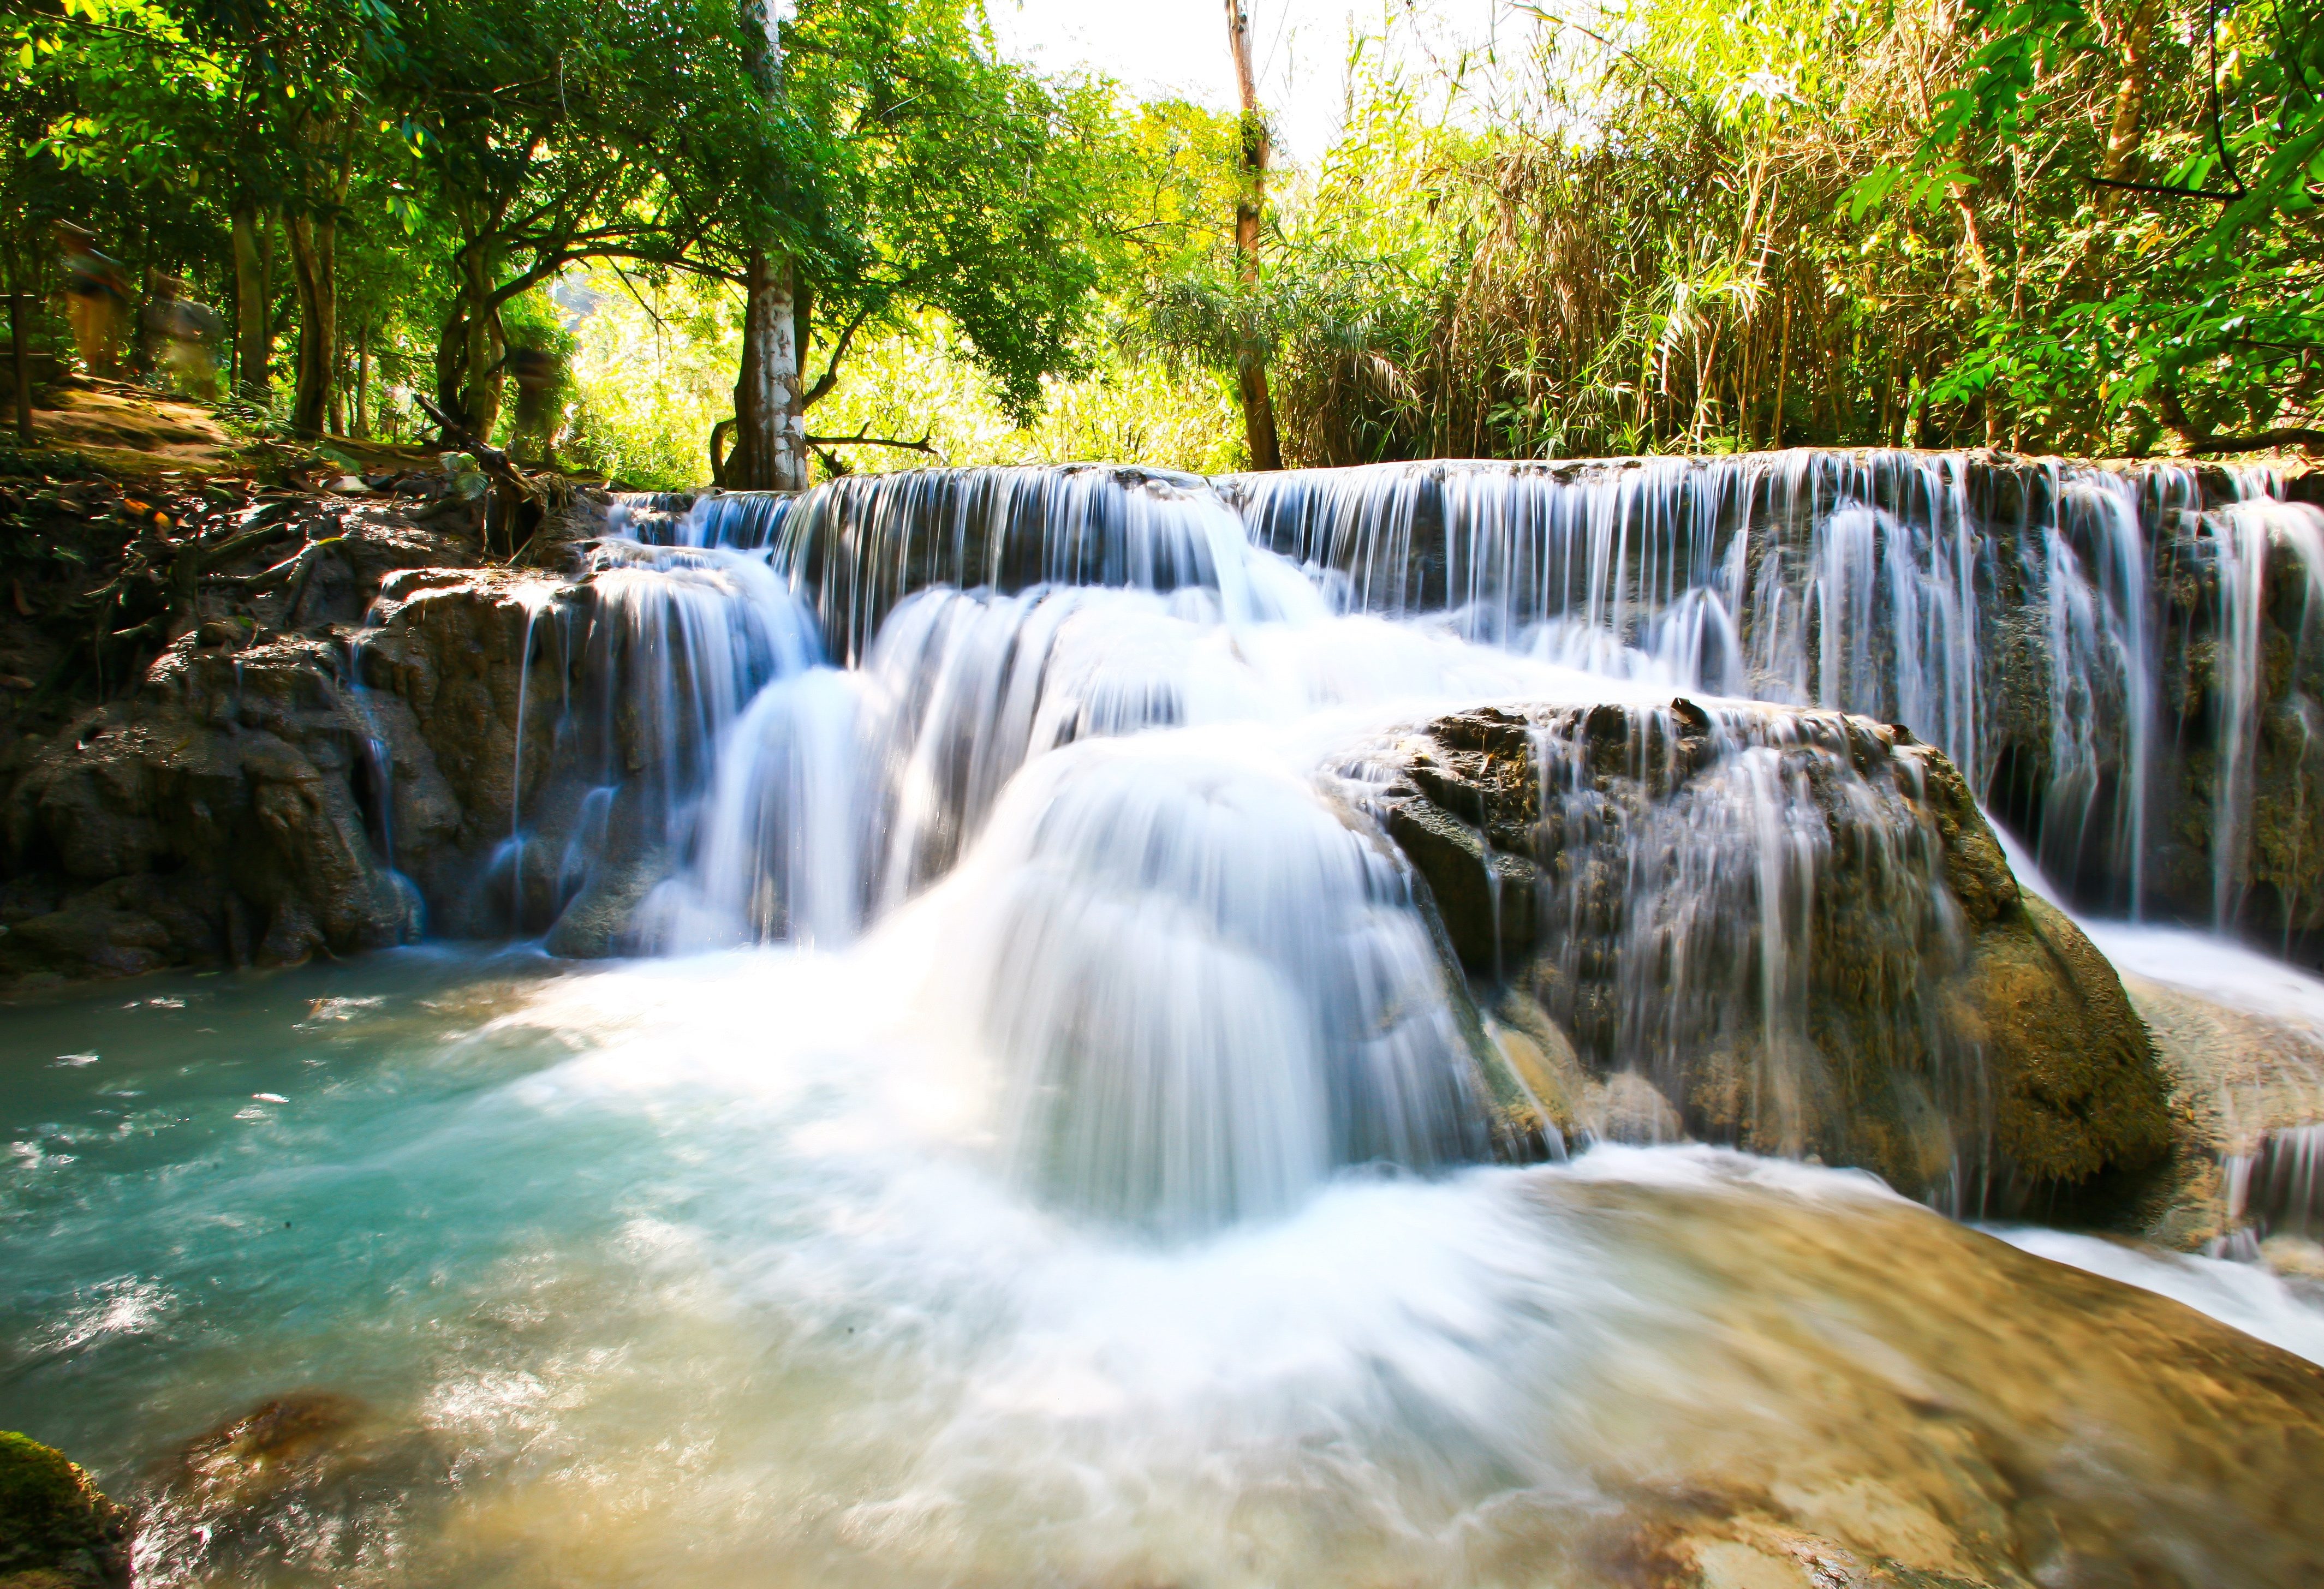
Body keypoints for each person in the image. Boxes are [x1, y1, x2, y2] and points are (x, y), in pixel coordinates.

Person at [55, 223, 130, 377]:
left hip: (98, 297)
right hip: (77, 296)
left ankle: (93, 369)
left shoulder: (95, 256)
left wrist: (113, 282)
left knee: (94, 332)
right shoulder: (72, 257)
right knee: (81, 332)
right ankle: (92, 365)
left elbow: (114, 268)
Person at [141, 270, 223, 397]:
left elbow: (209, 326)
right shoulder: (179, 307)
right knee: (170, 370)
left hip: (192, 346)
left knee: (205, 377)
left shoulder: (192, 308)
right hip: (183, 345)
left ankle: (212, 402)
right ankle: (168, 395)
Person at [505, 342, 563, 467]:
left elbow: (548, 380)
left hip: (532, 399)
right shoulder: (529, 366)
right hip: (528, 399)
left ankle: (521, 459)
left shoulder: (533, 366)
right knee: (523, 427)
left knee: (529, 428)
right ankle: (517, 459)